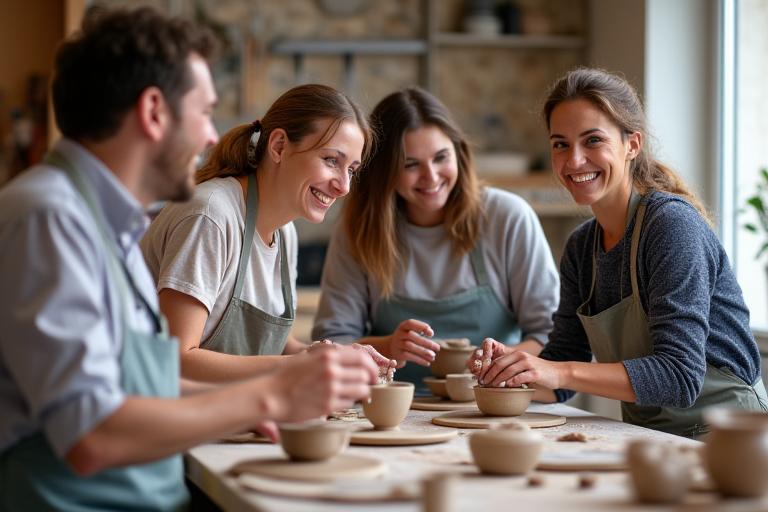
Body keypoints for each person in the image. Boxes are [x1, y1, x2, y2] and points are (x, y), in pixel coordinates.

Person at [0, 7, 377, 510]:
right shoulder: (49, 219)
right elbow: (93, 437)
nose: (210, 136)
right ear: (154, 111)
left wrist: (249, 404)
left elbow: (143, 384)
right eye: (203, 111)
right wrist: (272, 394)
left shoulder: (107, 223)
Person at [469, 67, 768, 437]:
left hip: (730, 440)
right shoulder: (582, 247)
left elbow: (680, 376)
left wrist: (557, 370)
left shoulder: (671, 226)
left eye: (592, 140)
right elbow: (562, 372)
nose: (574, 161)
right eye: (560, 144)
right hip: (651, 437)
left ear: (632, 145)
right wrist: (514, 368)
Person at [141, 84, 395, 382]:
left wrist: (335, 356)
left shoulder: (285, 233)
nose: (343, 186)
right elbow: (177, 359)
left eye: (351, 169)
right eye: (330, 160)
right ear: (278, 146)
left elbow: (276, 349)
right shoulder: (211, 214)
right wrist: (304, 365)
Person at [312, 87, 560, 391]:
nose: (431, 177)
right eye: (410, 165)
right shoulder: (359, 231)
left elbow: (550, 335)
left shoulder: (507, 217)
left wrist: (499, 366)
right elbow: (331, 345)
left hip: (491, 405)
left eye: (441, 157)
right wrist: (388, 346)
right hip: (394, 412)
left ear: (459, 153)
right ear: (384, 171)